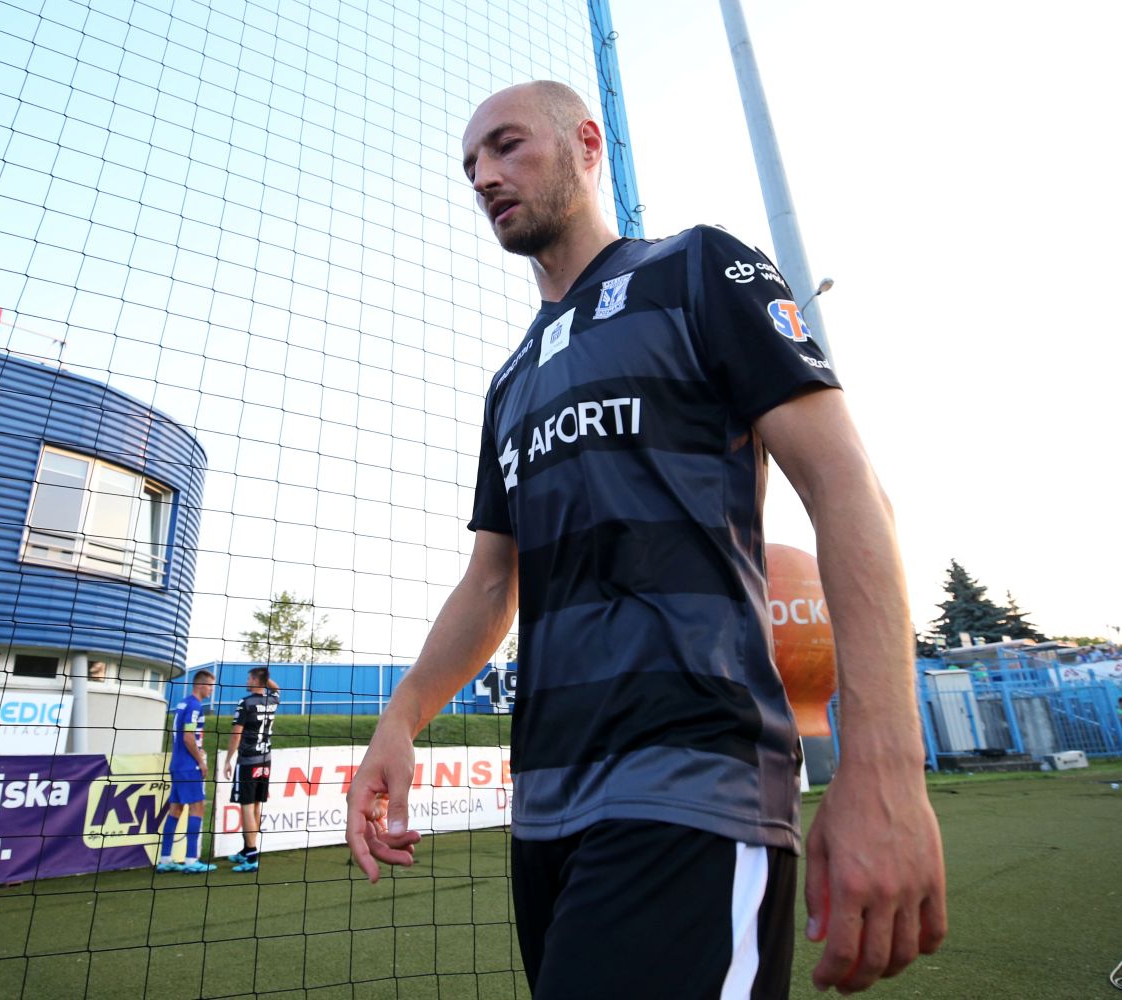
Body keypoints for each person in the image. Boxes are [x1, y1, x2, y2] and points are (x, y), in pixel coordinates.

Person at [344, 80, 947, 997]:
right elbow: (490, 582)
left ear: (589, 143)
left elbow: (845, 486)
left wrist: (885, 764)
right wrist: (401, 715)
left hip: (692, 781)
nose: (484, 176)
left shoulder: (699, 270)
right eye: (470, 166)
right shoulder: (509, 383)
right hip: (544, 808)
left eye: (507, 146)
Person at [222, 666, 281, 873]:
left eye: (250, 678)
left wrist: (228, 760)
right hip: (265, 761)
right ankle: (248, 849)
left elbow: (236, 734)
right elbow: (276, 688)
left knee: (246, 806)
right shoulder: (272, 700)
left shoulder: (245, 703)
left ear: (256, 680)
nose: (246, 681)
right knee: (256, 805)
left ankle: (252, 855)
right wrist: (266, 679)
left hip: (247, 761)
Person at [158, 669, 216, 874]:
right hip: (188, 766)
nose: (211, 690)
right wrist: (201, 761)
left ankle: (165, 859)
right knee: (198, 808)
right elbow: (188, 737)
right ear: (200, 685)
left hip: (177, 764)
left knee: (175, 810)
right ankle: (191, 860)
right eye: (210, 685)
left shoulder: (182, 703)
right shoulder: (194, 706)